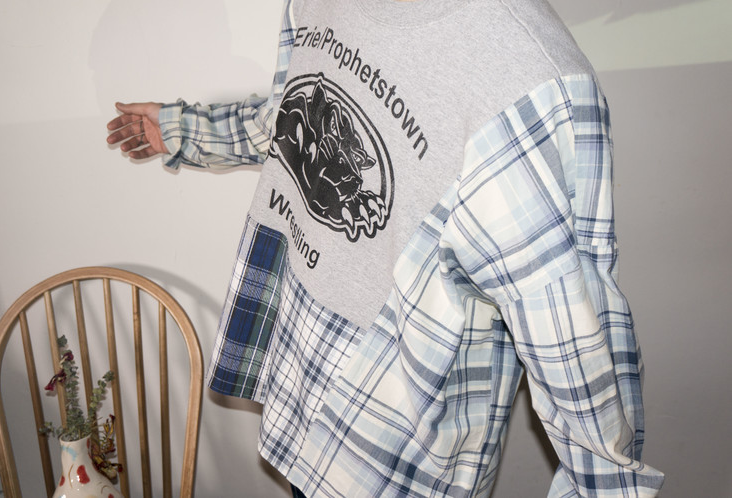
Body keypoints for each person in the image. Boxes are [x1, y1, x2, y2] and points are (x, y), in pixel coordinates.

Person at [107, 1, 664, 496]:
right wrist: (184, 130)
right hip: (300, 399)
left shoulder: (526, 80)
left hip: (387, 458)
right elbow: (284, 117)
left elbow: (569, 342)